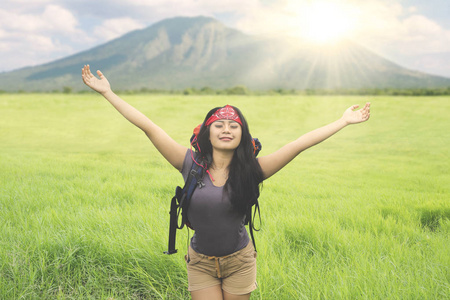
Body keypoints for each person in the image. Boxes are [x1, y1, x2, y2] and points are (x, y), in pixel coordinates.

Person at [81, 65, 371, 300]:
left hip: (240, 261)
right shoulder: (190, 164)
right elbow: (148, 126)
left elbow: (299, 144)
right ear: (206, 134)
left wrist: (343, 121)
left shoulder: (253, 170)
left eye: (234, 126)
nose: (226, 129)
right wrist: (109, 93)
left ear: (242, 136)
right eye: (218, 125)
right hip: (201, 262)